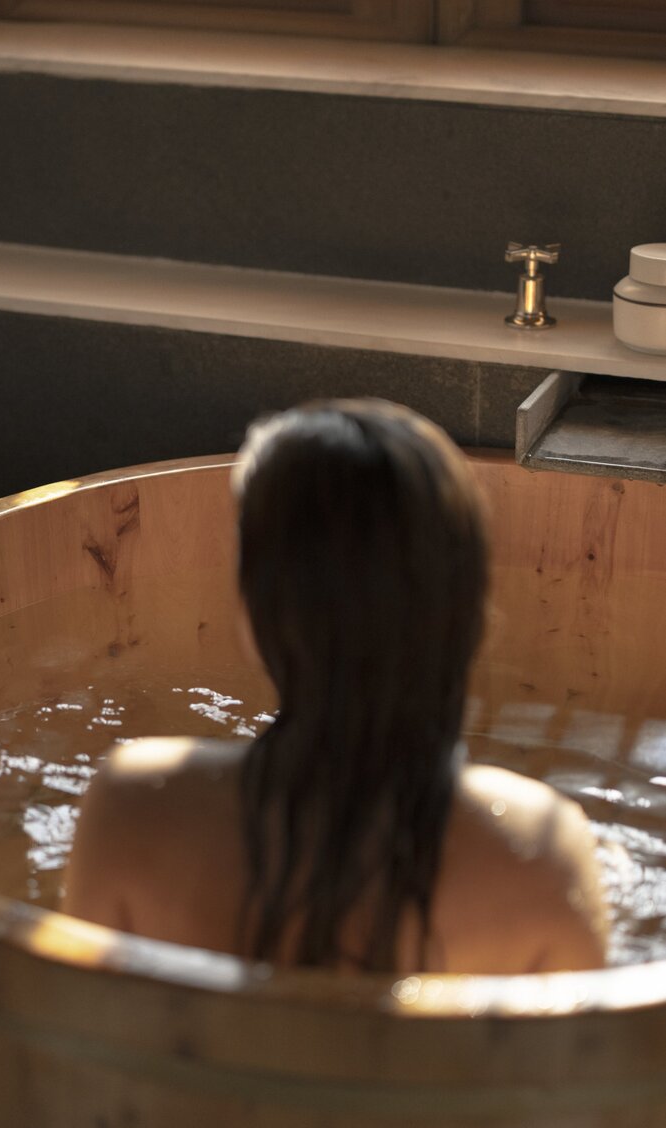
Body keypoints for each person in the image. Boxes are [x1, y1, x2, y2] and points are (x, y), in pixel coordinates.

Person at [62, 399, 608, 973]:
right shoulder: (539, 856)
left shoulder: (134, 809)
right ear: (464, 612)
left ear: (255, 609)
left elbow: (72, 1042)